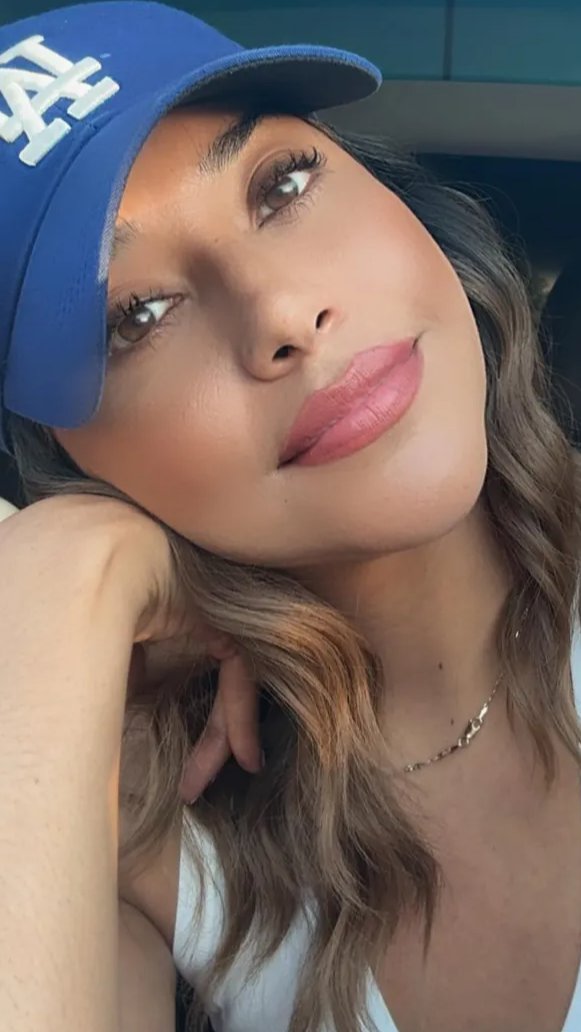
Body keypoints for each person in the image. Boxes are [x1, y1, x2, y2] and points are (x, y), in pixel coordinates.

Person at [1, 4, 581, 1032]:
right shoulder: (135, 834)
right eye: (136, 316)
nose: (280, 314)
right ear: (71, 458)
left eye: (282, 185)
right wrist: (65, 565)